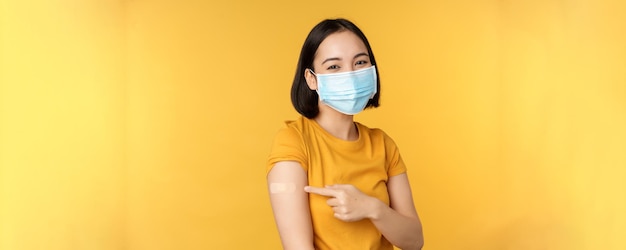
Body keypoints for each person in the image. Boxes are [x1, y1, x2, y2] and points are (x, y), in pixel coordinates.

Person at [266, 18, 424, 250]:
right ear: (311, 79)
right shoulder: (293, 142)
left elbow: (414, 241)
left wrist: (372, 208)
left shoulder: (383, 144)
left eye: (360, 62)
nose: (350, 74)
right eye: (334, 66)